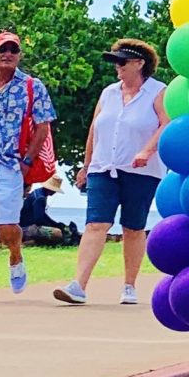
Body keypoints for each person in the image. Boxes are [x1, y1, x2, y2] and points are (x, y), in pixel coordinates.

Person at [53, 39, 168, 306]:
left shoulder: (158, 91)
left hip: (141, 171)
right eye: (116, 62)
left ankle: (129, 285)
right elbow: (95, 129)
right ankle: (78, 285)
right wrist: (86, 164)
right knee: (95, 224)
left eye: (122, 62)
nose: (117, 67)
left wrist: (147, 151)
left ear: (139, 64)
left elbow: (166, 123)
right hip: (104, 168)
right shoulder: (108, 93)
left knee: (133, 226)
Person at [0, 31, 51, 298]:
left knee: (8, 225)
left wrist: (27, 163)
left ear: (19, 55)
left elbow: (43, 128)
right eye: (2, 49)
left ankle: (15, 256)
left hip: (9, 165)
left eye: (13, 49)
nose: (7, 54)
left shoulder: (32, 86)